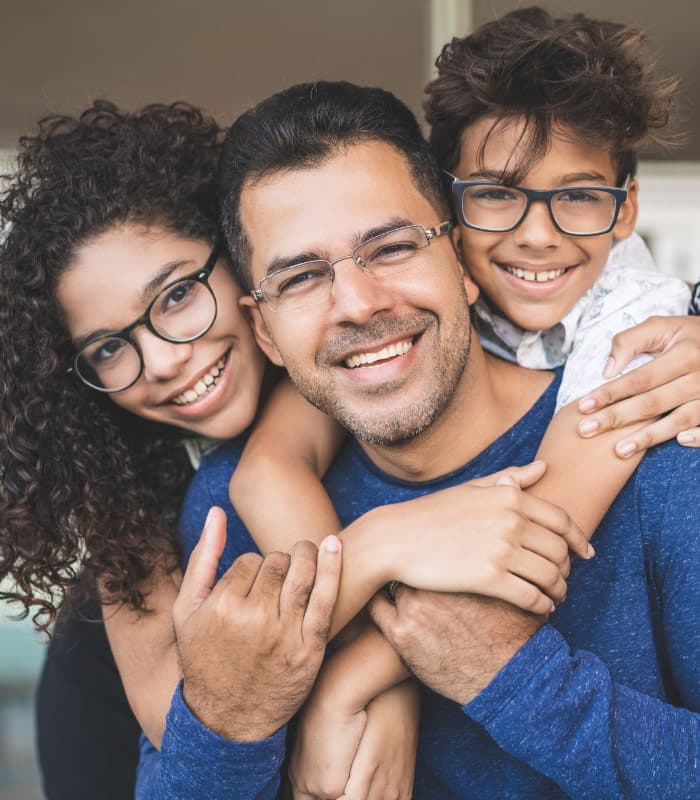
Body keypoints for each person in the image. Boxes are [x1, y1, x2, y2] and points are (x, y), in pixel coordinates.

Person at [0, 98, 589, 798]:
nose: (160, 360)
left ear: (241, 264)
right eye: (107, 348)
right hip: (98, 744)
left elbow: (272, 465)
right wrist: (376, 559)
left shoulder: (330, 380)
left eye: (179, 295)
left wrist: (370, 680)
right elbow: (195, 722)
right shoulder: (134, 514)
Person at [134, 78, 700, 799]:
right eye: (303, 277)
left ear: (460, 260)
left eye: (394, 246)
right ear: (264, 331)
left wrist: (516, 678)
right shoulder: (228, 509)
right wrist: (234, 717)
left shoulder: (663, 442)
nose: (360, 304)